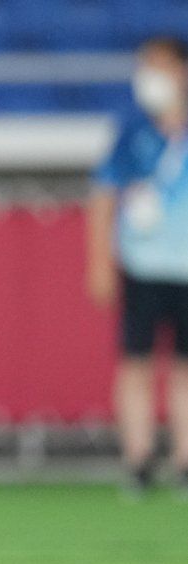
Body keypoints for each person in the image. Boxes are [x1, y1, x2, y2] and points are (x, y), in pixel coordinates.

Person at [88, 35, 188, 494]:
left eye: (160, 66)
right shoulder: (133, 130)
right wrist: (100, 261)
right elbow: (104, 196)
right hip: (143, 264)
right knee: (137, 362)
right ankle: (139, 458)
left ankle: (185, 459)